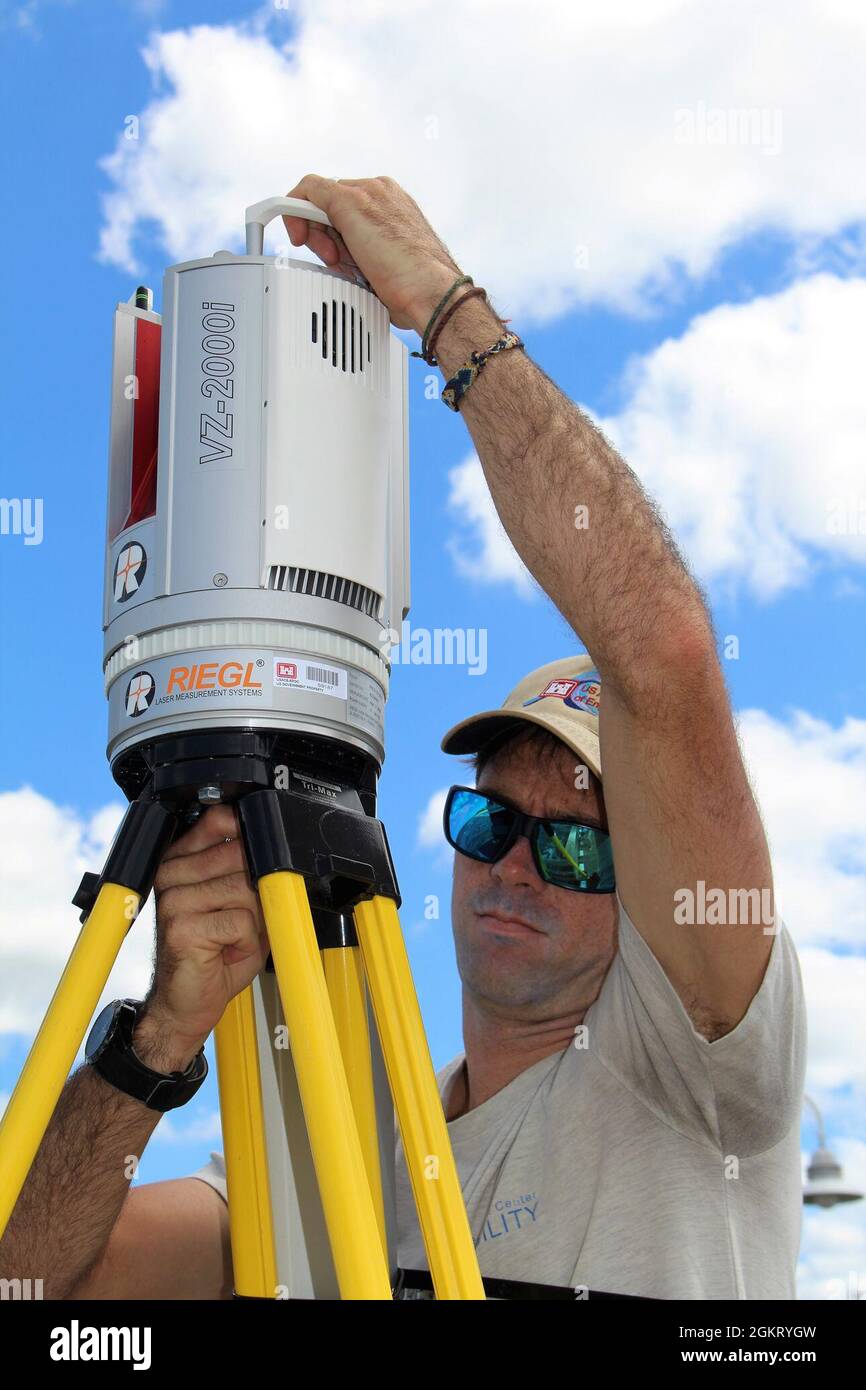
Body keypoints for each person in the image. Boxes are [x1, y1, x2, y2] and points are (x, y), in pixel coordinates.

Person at [0, 176, 805, 1301]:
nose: (517, 864)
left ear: (653, 891)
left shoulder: (702, 1083)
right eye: (489, 821)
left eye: (578, 846)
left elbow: (661, 652)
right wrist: (162, 1034)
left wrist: (445, 313)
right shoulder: (338, 1140)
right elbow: (37, 1289)